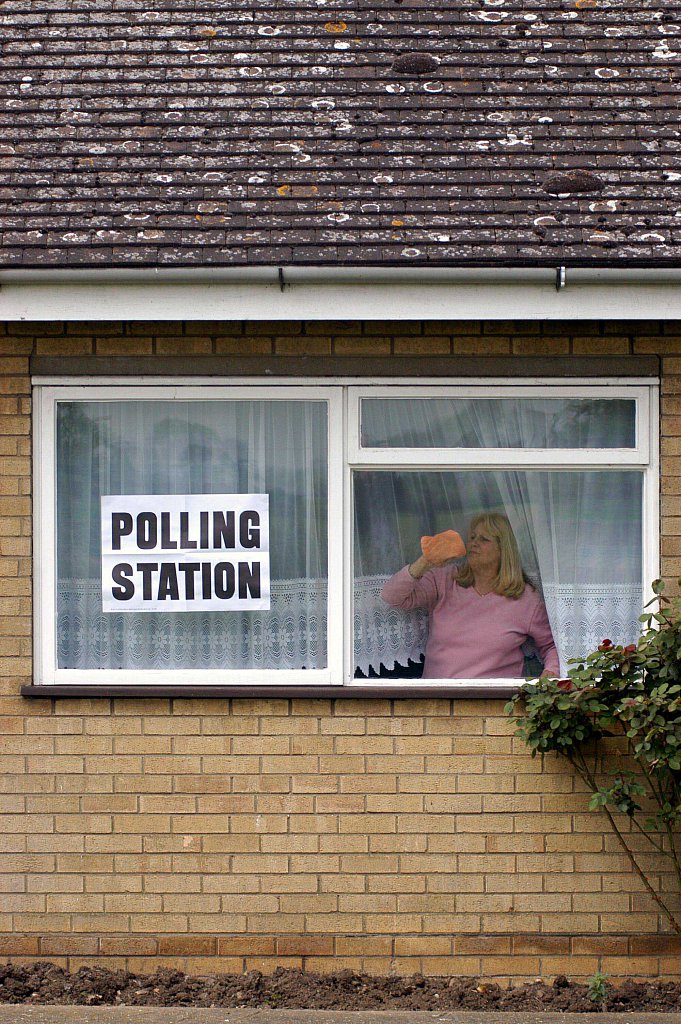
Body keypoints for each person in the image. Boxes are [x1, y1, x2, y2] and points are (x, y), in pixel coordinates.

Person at [381, 512, 559, 679]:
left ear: (503, 550)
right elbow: (392, 596)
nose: (473, 543)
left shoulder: (525, 599)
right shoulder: (445, 579)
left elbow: (551, 646)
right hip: (437, 699)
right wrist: (425, 561)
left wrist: (550, 675)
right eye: (472, 537)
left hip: (493, 704)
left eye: (484, 539)